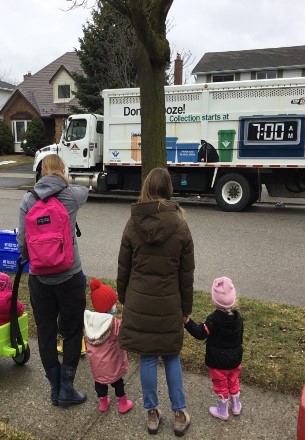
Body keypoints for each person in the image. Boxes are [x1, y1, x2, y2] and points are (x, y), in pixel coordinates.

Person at [117, 167, 194, 436]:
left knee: (148, 357)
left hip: (139, 301)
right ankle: (180, 412)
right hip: (169, 302)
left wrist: (123, 298)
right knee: (171, 356)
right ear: (169, 190)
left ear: (146, 188)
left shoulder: (133, 223)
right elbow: (186, 273)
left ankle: (152, 412)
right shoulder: (180, 224)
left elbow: (123, 266)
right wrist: (187, 309)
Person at [17, 154, 89, 407]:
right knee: (71, 331)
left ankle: (54, 387)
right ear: (61, 170)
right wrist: (64, 181)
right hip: (70, 276)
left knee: (46, 334)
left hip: (40, 280)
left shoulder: (28, 199)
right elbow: (87, 188)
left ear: (39, 172)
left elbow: (22, 242)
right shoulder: (72, 196)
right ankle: (67, 387)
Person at [184, 276, 244, 420]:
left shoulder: (213, 319)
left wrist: (188, 322)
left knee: (220, 384)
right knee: (233, 379)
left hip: (218, 361)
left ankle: (222, 411)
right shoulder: (238, 318)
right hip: (236, 358)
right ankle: (236, 405)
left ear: (214, 300)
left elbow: (200, 334)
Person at [84, 278, 133, 414]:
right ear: (108, 307)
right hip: (112, 366)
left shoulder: (89, 322)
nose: (114, 306)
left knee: (100, 384)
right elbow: (124, 331)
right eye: (113, 304)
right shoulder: (113, 323)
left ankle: (103, 403)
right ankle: (123, 404)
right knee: (118, 383)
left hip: (97, 367)